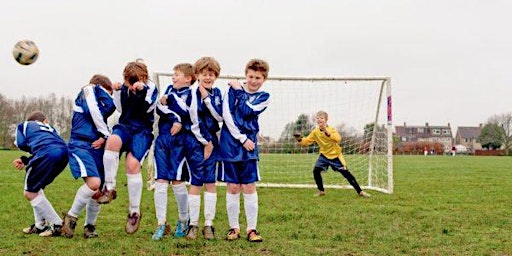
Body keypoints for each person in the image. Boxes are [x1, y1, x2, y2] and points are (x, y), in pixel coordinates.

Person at [98, 61, 159, 235]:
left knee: (132, 165)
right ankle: (109, 187)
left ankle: (134, 212)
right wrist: (118, 91)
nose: (132, 85)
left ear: (144, 78)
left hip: (142, 131)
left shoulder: (151, 88)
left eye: (136, 81)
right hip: (125, 126)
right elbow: (119, 108)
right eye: (128, 82)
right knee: (112, 141)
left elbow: (148, 106)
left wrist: (142, 89)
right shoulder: (123, 89)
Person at [218, 59, 270, 243]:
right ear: (246, 74)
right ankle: (234, 228)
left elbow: (247, 111)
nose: (254, 81)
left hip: (249, 147)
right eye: (251, 76)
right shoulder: (230, 90)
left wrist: (240, 91)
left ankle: (252, 229)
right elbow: (227, 116)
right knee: (232, 187)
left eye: (258, 77)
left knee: (249, 187)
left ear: (264, 79)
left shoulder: (264, 96)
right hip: (230, 144)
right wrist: (241, 138)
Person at [61, 75, 116, 239]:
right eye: (107, 92)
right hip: (81, 145)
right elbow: (92, 111)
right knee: (94, 183)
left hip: (96, 146)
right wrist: (106, 134)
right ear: (100, 87)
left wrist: (105, 137)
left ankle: (90, 226)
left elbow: (107, 113)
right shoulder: (88, 90)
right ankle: (70, 218)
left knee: (97, 190)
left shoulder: (102, 104)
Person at [151, 63, 194, 240]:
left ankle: (184, 219)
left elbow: (188, 112)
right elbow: (158, 107)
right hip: (162, 140)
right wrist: (174, 117)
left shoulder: (192, 93)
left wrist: (172, 102)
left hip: (180, 143)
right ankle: (161, 223)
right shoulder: (168, 89)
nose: (173, 78)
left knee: (177, 180)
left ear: (188, 78)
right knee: (160, 180)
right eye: (173, 75)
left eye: (177, 75)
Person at [13, 111, 69, 237]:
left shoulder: (24, 125)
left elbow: (21, 143)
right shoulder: (51, 128)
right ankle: (39, 226)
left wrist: (28, 152)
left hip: (46, 153)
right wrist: (26, 160)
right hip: (64, 154)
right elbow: (50, 144)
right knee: (36, 188)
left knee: (29, 192)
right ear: (45, 121)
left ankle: (58, 224)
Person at [185, 57, 223, 240]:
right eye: (204, 74)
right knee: (196, 182)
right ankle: (192, 224)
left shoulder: (216, 94)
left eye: (211, 74)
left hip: (212, 143)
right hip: (196, 142)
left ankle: (209, 224)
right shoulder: (192, 92)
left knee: (210, 182)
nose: (208, 77)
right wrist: (205, 142)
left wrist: (208, 99)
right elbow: (193, 120)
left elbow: (219, 116)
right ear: (197, 75)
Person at [293, 111, 371, 198]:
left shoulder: (331, 129)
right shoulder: (315, 132)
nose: (319, 120)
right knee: (316, 171)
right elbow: (306, 142)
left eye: (322, 118)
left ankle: (360, 192)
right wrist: (299, 139)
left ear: (326, 120)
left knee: (346, 174)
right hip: (324, 156)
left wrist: (327, 132)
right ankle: (321, 191)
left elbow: (338, 139)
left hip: (335, 156)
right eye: (318, 118)